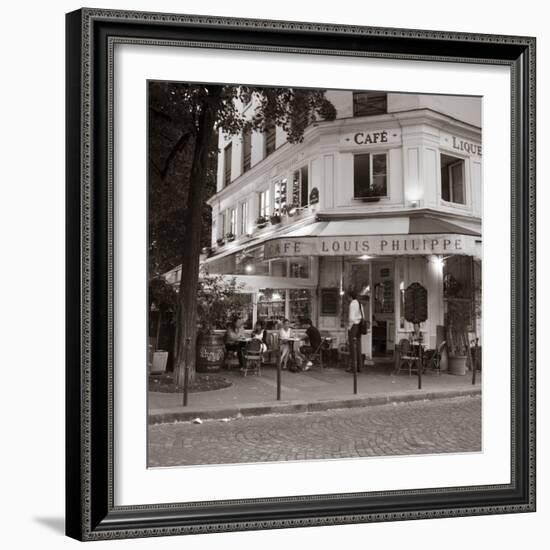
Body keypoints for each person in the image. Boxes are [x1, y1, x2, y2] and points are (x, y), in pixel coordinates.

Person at [346, 290, 364, 373]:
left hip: (354, 326)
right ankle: (359, 367)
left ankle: (354, 367)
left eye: (348, 297)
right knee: (358, 347)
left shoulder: (352, 304)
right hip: (359, 326)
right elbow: (363, 315)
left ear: (350, 296)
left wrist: (349, 327)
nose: (348, 299)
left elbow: (351, 318)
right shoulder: (360, 304)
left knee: (352, 348)